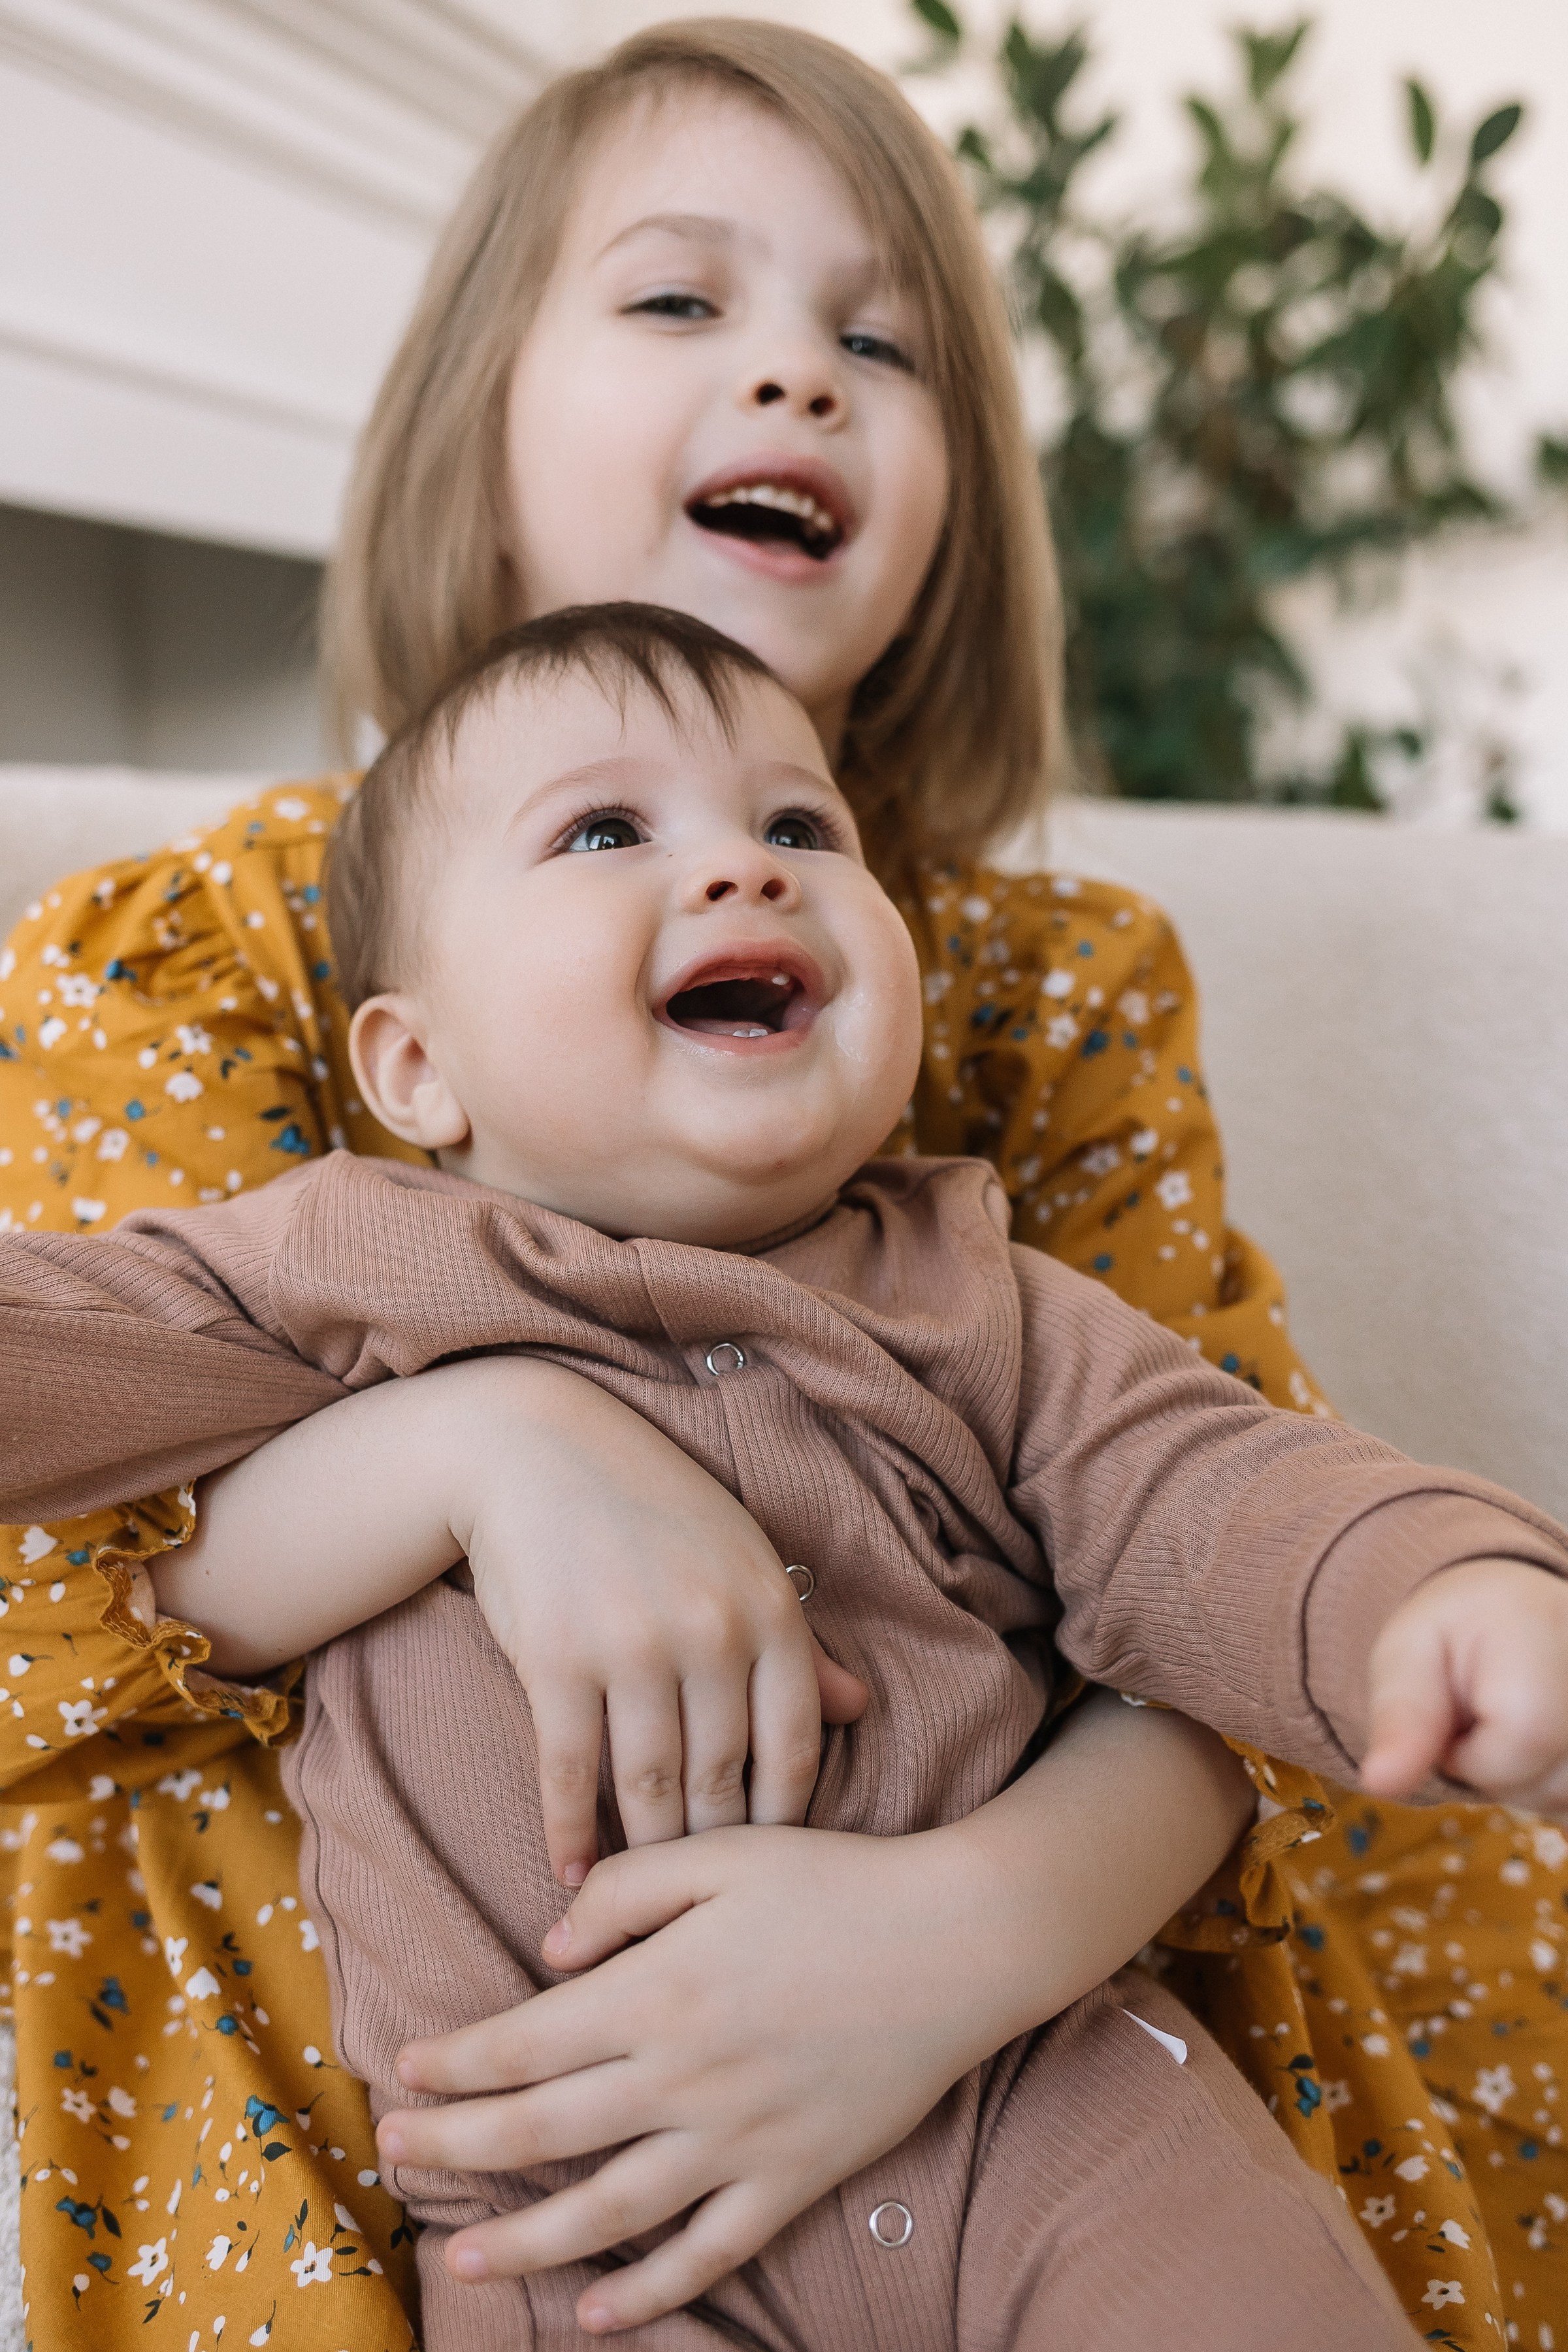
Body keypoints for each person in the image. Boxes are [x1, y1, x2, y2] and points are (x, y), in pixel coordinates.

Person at [0, 20, 1561, 2347]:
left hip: (1035, 2053)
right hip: (555, 2158)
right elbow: (90, 1484)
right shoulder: (268, 1064)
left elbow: (1214, 1503)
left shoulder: (986, 1206)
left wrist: (1444, 1591)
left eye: (883, 344)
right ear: (406, 1063)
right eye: (679, 297)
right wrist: (487, 1445)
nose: (801, 375)